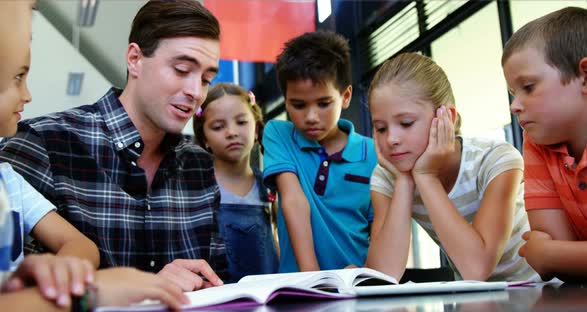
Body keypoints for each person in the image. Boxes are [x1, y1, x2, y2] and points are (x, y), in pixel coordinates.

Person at [0, 0, 225, 290]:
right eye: (182, 70)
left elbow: (218, 277)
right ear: (134, 59)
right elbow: (16, 287)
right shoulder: (44, 143)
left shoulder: (200, 164)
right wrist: (145, 290)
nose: (196, 92)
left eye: (207, 79)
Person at [365, 52, 537, 282]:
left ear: (445, 117)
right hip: (474, 300)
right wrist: (404, 183)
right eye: (381, 128)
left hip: (542, 291)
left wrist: (426, 177)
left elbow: (477, 269)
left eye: (405, 123)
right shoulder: (389, 177)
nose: (391, 139)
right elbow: (384, 274)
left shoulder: (496, 159)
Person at [263, 31, 377, 272]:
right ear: (285, 100)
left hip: (357, 286)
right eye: (298, 105)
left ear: (345, 97)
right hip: (301, 290)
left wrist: (368, 273)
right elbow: (293, 201)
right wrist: (313, 280)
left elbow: (383, 225)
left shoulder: (374, 152)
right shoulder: (278, 134)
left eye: (324, 104)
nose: (311, 117)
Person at [502, 7, 587, 282]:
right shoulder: (538, 141)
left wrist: (552, 254)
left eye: (528, 87)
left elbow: (546, 254)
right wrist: (555, 256)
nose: (515, 106)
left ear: (586, 76)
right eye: (513, 94)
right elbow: (553, 259)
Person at [193, 83, 279, 282]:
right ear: (204, 138)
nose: (231, 132)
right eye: (218, 126)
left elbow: (276, 244)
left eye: (241, 122)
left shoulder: (270, 186)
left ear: (256, 128)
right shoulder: (197, 188)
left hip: (268, 296)